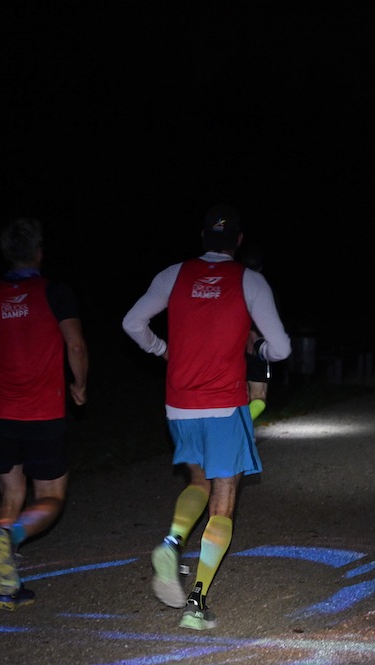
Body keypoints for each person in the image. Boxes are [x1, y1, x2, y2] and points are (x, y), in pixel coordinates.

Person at [122, 204, 291, 630]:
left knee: (197, 481)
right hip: (224, 404)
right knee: (224, 500)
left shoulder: (172, 274)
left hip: (179, 404)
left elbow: (132, 322)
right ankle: (196, 604)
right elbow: (281, 348)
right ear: (237, 241)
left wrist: (162, 351)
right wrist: (261, 354)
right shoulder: (250, 280)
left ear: (202, 237)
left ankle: (172, 540)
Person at [0, 217, 88, 608]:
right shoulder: (54, 292)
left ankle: (7, 587)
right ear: (39, 252)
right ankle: (8, 538)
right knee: (50, 496)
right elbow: (76, 346)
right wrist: (79, 385)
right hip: (42, 414)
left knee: (11, 492)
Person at [239, 244, 271, 421]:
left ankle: (237, 433)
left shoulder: (234, 287)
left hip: (234, 347)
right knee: (259, 398)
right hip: (257, 346)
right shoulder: (264, 289)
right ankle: (240, 431)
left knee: (239, 396)